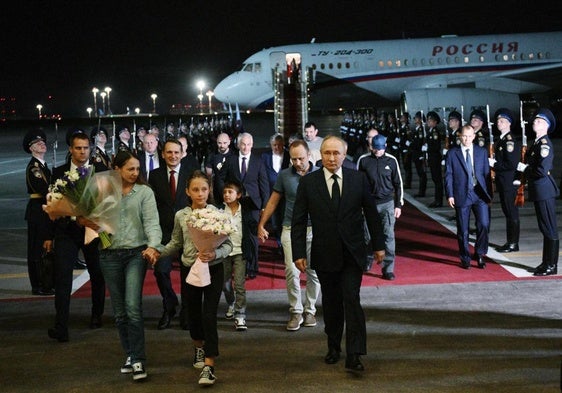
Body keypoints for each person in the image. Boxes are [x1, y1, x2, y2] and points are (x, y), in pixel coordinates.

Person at [291, 135, 384, 372]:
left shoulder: (358, 179)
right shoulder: (309, 183)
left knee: (352, 300)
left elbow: (372, 214)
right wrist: (298, 252)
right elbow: (299, 220)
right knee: (331, 303)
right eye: (327, 153)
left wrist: (378, 245)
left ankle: (355, 354)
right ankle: (333, 346)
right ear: (320, 156)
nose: (331, 158)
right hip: (324, 253)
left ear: (344, 155)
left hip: (353, 253)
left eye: (336, 153)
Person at [154, 171, 233, 386]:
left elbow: (228, 244)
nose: (200, 194)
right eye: (195, 190)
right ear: (187, 191)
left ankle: (209, 364)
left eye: (204, 189)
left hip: (213, 270)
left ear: (209, 191)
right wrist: (157, 252)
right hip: (190, 269)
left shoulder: (218, 213)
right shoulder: (181, 215)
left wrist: (215, 254)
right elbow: (175, 243)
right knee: (193, 315)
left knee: (209, 315)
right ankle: (198, 348)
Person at [98, 151, 162, 381]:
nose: (135, 173)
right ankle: (130, 353)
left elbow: (152, 223)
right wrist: (84, 219)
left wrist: (153, 247)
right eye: (130, 169)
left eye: (137, 169)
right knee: (119, 312)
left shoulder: (144, 192)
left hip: (137, 254)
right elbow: (93, 223)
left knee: (132, 306)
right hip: (108, 255)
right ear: (117, 169)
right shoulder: (103, 191)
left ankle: (138, 361)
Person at [45, 131, 106, 342]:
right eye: (78, 148)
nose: (82, 151)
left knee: (97, 274)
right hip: (66, 232)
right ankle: (61, 326)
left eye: (85, 147)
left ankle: (97, 315)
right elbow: (52, 205)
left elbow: (110, 203)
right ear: (70, 149)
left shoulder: (100, 171)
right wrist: (48, 236)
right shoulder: (58, 172)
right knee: (62, 277)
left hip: (93, 231)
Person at [258, 140, 321, 331]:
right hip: (290, 228)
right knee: (291, 270)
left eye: (301, 158)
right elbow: (273, 202)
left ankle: (310, 310)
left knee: (313, 271)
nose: (297, 162)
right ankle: (296, 311)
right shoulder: (284, 176)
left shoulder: (320, 174)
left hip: (314, 229)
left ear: (309, 155)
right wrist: (262, 223)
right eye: (294, 159)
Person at [148, 139, 199, 330]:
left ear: (182, 153)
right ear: (163, 154)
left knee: (188, 274)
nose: (173, 156)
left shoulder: (190, 174)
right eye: (169, 152)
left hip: (188, 232)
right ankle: (169, 305)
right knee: (160, 271)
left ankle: (187, 311)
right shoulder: (154, 175)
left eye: (176, 152)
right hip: (164, 233)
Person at [516, 108, 559, 276]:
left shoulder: (545, 144)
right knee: (544, 227)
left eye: (539, 121)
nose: (535, 122)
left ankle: (551, 265)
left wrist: (525, 169)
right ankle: (545, 262)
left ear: (546, 126)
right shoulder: (536, 143)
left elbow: (541, 170)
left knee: (549, 228)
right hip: (539, 190)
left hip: (544, 190)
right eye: (535, 120)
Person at [222, 132, 270, 279]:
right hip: (235, 203)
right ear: (238, 145)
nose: (246, 147)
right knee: (235, 234)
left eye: (249, 144)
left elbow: (264, 184)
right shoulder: (231, 160)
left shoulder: (258, 161)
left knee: (252, 237)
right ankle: (236, 267)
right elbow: (222, 179)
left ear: (252, 145)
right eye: (243, 144)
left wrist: (264, 206)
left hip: (253, 204)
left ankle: (252, 267)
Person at [444, 124, 492, 270]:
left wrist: (489, 194)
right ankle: (465, 257)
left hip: (479, 194)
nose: (467, 139)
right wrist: (450, 194)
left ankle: (480, 253)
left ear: (474, 137)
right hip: (462, 194)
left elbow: (486, 174)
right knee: (463, 229)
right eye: (464, 136)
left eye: (470, 136)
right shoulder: (452, 153)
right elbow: (448, 175)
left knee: (483, 224)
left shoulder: (482, 152)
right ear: (460, 136)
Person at [358, 134, 404, 280]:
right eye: (375, 149)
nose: (378, 152)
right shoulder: (364, 161)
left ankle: (388, 268)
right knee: (366, 236)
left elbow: (398, 184)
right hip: (369, 205)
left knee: (388, 236)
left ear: (385, 147)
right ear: (371, 147)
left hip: (387, 204)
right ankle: (367, 259)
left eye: (380, 149)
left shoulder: (392, 161)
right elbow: (357, 184)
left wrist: (398, 205)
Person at [221, 179, 257, 331]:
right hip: (224, 252)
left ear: (239, 195)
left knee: (240, 284)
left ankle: (240, 315)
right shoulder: (219, 210)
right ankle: (231, 303)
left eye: (230, 192)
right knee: (225, 283)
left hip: (240, 251)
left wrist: (260, 230)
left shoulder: (245, 210)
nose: (227, 195)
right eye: (225, 192)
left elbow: (252, 226)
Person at [23, 128, 54, 296]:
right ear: (31, 148)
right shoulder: (34, 168)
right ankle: (37, 285)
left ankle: (46, 281)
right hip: (37, 211)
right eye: (38, 143)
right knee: (36, 249)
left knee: (45, 249)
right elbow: (43, 189)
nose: (42, 144)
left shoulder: (43, 166)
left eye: (43, 141)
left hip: (45, 210)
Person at [489, 108, 520, 253]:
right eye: (498, 121)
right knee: (507, 211)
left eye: (502, 121)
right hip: (503, 181)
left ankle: (513, 243)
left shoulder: (509, 141)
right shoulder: (500, 140)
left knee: (511, 212)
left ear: (509, 123)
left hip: (508, 182)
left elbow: (511, 164)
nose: (498, 123)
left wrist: (494, 164)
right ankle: (510, 241)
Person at [260, 133, 290, 242]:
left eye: (279, 144)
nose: (276, 147)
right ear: (271, 145)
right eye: (274, 145)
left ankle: (285, 242)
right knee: (275, 221)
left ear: (283, 144)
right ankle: (279, 242)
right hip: (271, 193)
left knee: (285, 219)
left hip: (287, 194)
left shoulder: (289, 155)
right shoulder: (265, 156)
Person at [205, 132, 234, 204]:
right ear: (216, 142)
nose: (222, 145)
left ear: (229, 142)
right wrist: (210, 192)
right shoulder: (211, 156)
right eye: (219, 143)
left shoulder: (235, 155)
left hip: (232, 190)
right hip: (217, 191)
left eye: (225, 143)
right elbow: (209, 176)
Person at [426, 111, 444, 207]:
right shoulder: (430, 131)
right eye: (428, 120)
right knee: (435, 179)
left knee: (437, 180)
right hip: (432, 158)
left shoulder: (435, 132)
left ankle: (439, 201)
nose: (428, 122)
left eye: (430, 120)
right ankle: (437, 199)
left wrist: (427, 148)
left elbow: (436, 147)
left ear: (435, 122)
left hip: (435, 158)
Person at [411, 111, 428, 198]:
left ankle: (422, 192)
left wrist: (423, 153)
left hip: (419, 154)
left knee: (422, 173)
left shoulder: (421, 129)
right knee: (420, 173)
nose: (415, 119)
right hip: (416, 154)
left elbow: (420, 143)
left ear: (420, 120)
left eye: (416, 118)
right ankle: (420, 191)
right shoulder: (417, 129)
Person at [398, 113, 413, 189]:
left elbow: (409, 138)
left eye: (403, 118)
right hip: (402, 149)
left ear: (406, 119)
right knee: (405, 166)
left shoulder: (407, 127)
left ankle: (408, 183)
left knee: (407, 167)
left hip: (406, 150)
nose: (401, 119)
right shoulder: (401, 127)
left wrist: (406, 146)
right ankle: (407, 182)